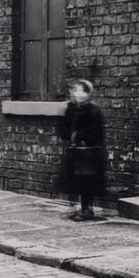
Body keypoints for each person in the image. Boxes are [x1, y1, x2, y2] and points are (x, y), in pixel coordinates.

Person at [55, 79, 107, 221]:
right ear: (72, 92)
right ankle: (72, 206)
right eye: (77, 91)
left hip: (89, 152)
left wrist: (80, 136)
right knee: (72, 179)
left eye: (84, 91)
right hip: (74, 151)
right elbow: (62, 129)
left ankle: (87, 208)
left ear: (89, 94)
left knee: (87, 180)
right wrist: (70, 136)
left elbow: (97, 133)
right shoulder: (69, 109)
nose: (80, 95)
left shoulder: (94, 111)